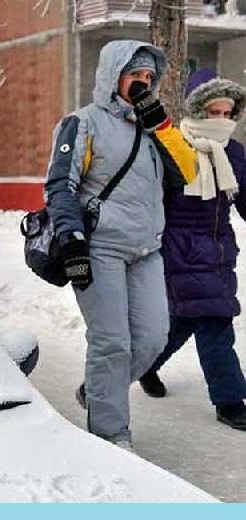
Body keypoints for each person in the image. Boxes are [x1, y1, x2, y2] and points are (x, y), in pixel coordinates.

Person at [44, 40, 197, 450]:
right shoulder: (83, 123)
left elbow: (188, 172)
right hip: (99, 249)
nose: (143, 84)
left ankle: (98, 392)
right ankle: (112, 435)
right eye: (136, 76)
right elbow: (61, 185)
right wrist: (72, 240)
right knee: (111, 342)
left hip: (146, 250)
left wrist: (162, 125)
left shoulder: (154, 131)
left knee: (152, 337)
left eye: (150, 78)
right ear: (115, 76)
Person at [138, 69, 246, 431]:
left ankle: (146, 365)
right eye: (213, 112)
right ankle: (231, 401)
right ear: (197, 110)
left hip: (218, 250)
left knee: (183, 320)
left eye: (227, 113)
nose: (221, 120)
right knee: (215, 322)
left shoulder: (235, 152)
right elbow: (153, 200)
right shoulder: (174, 146)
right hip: (180, 248)